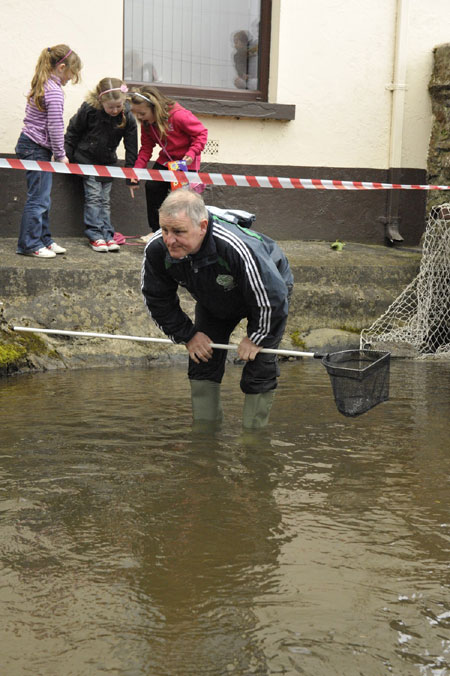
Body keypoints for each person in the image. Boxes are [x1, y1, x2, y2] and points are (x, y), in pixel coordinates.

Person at [141, 189, 293, 429]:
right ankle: (205, 433)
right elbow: (157, 298)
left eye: (179, 232)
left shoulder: (236, 246)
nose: (169, 239)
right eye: (165, 230)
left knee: (259, 364)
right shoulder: (158, 249)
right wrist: (187, 335)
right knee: (202, 357)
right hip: (213, 297)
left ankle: (253, 440)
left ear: (202, 226)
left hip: (266, 294)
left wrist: (258, 337)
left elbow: (272, 297)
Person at [15, 44, 82, 259]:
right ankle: (29, 243)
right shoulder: (53, 92)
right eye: (72, 73)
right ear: (62, 67)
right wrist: (61, 154)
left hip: (34, 147)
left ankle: (43, 238)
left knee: (43, 198)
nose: (71, 78)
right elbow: (55, 126)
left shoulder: (44, 84)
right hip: (35, 149)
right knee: (38, 199)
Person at [65, 78, 138, 252]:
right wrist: (65, 156)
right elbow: (73, 131)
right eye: (110, 107)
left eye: (118, 106)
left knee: (105, 200)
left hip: (108, 162)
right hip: (86, 159)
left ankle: (107, 234)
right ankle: (95, 235)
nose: (114, 110)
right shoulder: (89, 110)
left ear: (124, 101)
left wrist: (131, 175)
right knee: (94, 196)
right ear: (100, 101)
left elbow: (131, 146)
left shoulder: (127, 116)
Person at [128, 86, 208, 234]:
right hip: (166, 161)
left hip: (185, 163)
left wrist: (192, 153)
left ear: (154, 108)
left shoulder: (179, 116)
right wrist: (136, 172)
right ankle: (157, 231)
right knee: (152, 187)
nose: (140, 118)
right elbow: (146, 148)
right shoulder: (147, 125)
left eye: (142, 113)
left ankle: (187, 231)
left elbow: (201, 133)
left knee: (182, 199)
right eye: (136, 114)